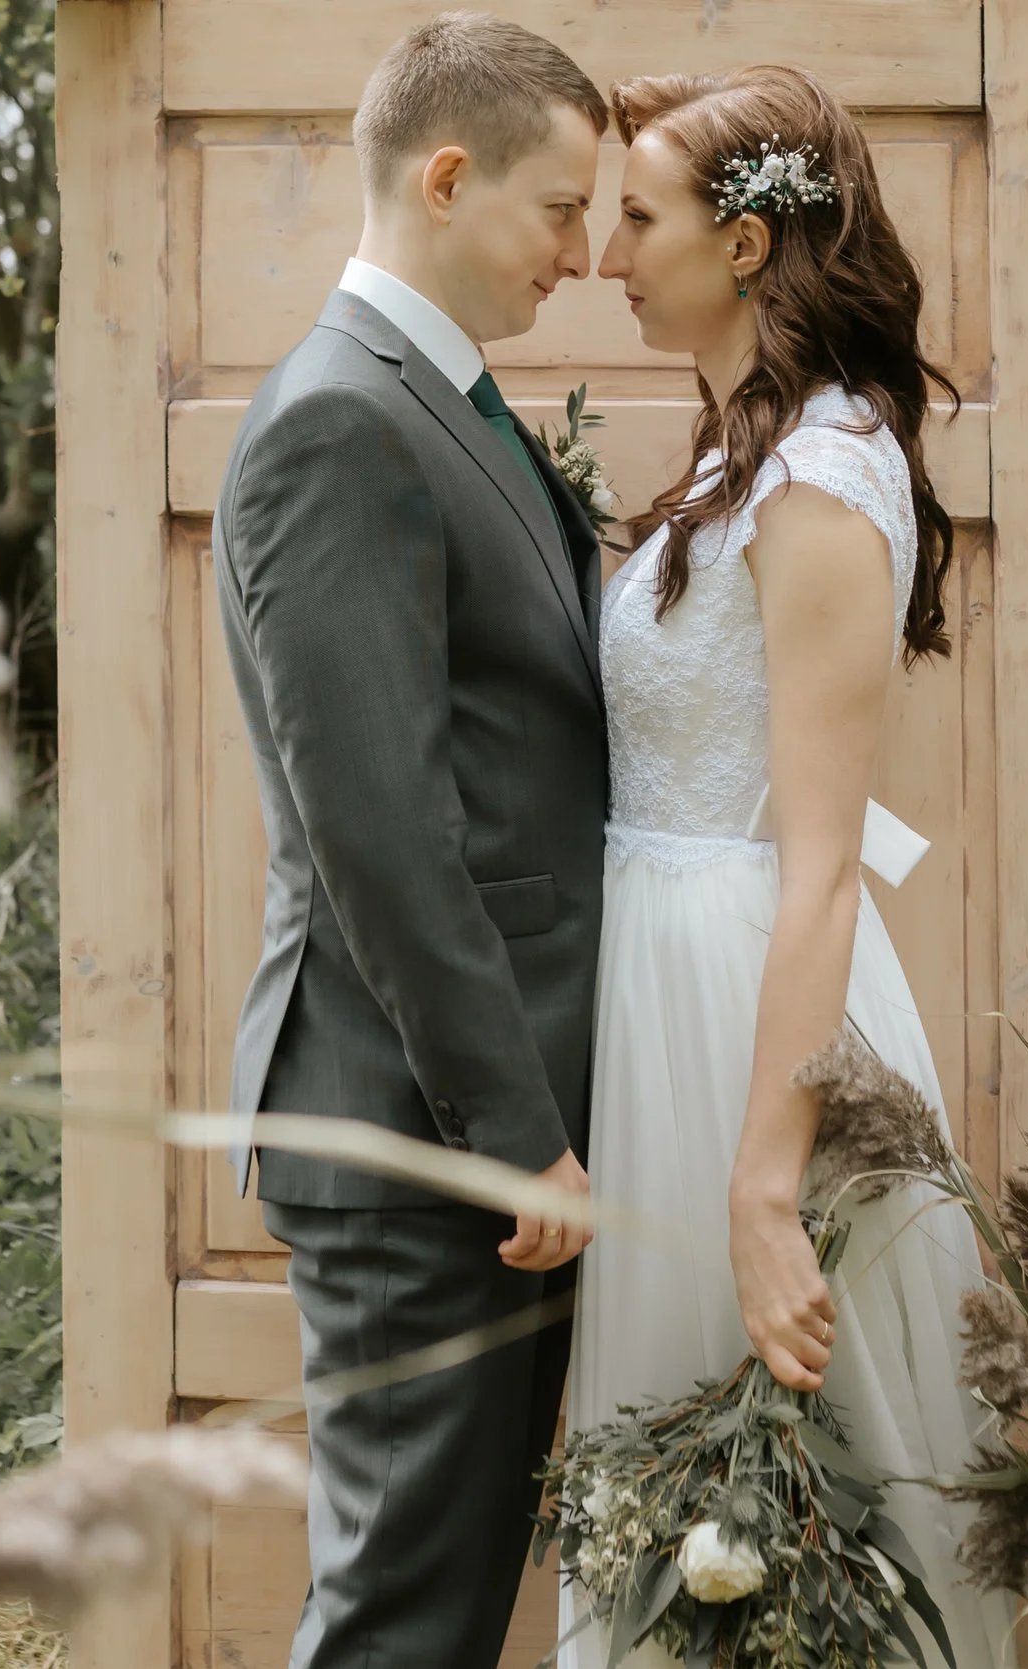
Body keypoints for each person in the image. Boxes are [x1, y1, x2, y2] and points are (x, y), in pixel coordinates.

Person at [561, 64, 1016, 1667]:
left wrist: (765, 1188)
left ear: (746, 245)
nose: (607, 256)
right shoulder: (740, 458)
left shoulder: (822, 477)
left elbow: (820, 865)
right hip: (662, 988)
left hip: (746, 1014)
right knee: (688, 1528)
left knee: (793, 1531)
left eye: (639, 219)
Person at [209, 12, 609, 1669]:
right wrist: (509, 1133)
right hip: (422, 1138)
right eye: (559, 210)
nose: (580, 257)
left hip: (477, 1128)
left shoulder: (444, 404)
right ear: (448, 180)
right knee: (401, 1627)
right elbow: (380, 832)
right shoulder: (340, 424)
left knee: (436, 1616)